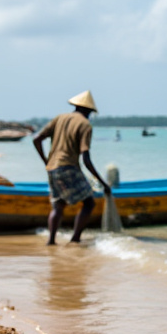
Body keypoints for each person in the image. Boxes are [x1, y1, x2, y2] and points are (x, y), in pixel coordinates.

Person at [33, 90, 112, 245]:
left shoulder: (60, 118)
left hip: (52, 168)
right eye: (90, 112)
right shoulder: (85, 125)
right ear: (87, 110)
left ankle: (51, 241)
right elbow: (86, 159)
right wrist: (103, 183)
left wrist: (46, 161)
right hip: (68, 167)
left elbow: (37, 140)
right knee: (89, 203)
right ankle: (75, 239)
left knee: (58, 206)